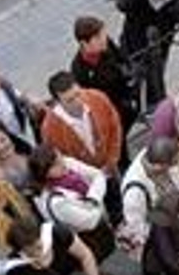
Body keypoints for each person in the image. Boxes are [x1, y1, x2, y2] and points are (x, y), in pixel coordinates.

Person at [119, 137, 179, 275]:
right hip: (151, 225)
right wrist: (155, 237)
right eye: (173, 163)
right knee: (152, 265)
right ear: (161, 165)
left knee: (176, 252)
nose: (178, 163)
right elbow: (135, 223)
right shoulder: (134, 190)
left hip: (172, 214)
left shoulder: (166, 158)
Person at [40, 72, 125, 220]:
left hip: (109, 167)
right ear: (57, 102)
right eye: (70, 100)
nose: (78, 101)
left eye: (78, 94)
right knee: (96, 214)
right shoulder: (50, 128)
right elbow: (58, 160)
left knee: (117, 199)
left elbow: (115, 127)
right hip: (84, 181)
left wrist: (112, 159)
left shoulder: (98, 98)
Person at [118, 0, 179, 116]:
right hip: (135, 51)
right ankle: (146, 105)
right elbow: (122, 5)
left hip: (159, 51)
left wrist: (172, 0)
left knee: (156, 78)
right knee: (137, 82)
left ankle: (159, 107)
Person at [70, 16, 138, 130]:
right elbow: (90, 102)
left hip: (126, 92)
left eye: (103, 34)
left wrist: (130, 72)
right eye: (98, 37)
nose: (104, 39)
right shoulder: (80, 71)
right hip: (109, 109)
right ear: (84, 43)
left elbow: (122, 58)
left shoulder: (106, 44)